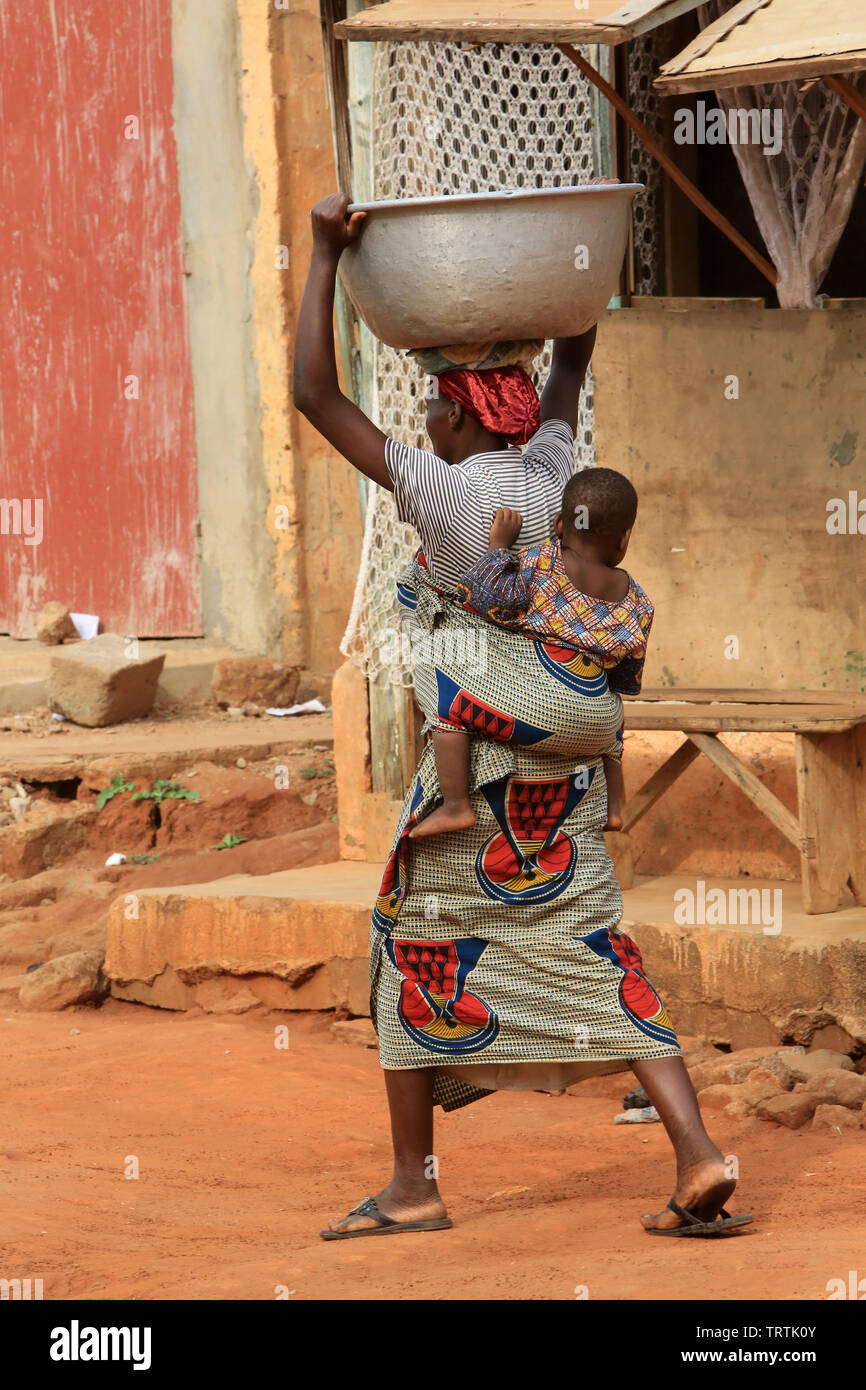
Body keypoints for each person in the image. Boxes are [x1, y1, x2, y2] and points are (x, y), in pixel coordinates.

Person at [294, 191, 752, 1241]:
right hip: (566, 781)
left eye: (429, 402)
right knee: (596, 944)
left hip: (483, 776)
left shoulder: (442, 489)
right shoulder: (553, 472)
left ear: (456, 413)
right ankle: (696, 1153)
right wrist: (574, 269)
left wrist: (323, 253)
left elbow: (311, 392)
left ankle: (413, 1184)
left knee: (415, 942)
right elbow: (571, 365)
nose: (421, 418)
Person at [409, 468, 652, 840]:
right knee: (611, 708)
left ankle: (456, 805)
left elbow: (486, 596)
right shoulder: (639, 599)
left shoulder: (543, 563)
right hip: (600, 728)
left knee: (449, 704)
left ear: (558, 524)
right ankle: (616, 807)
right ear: (624, 540)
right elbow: (628, 678)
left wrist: (498, 547)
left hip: (542, 705)